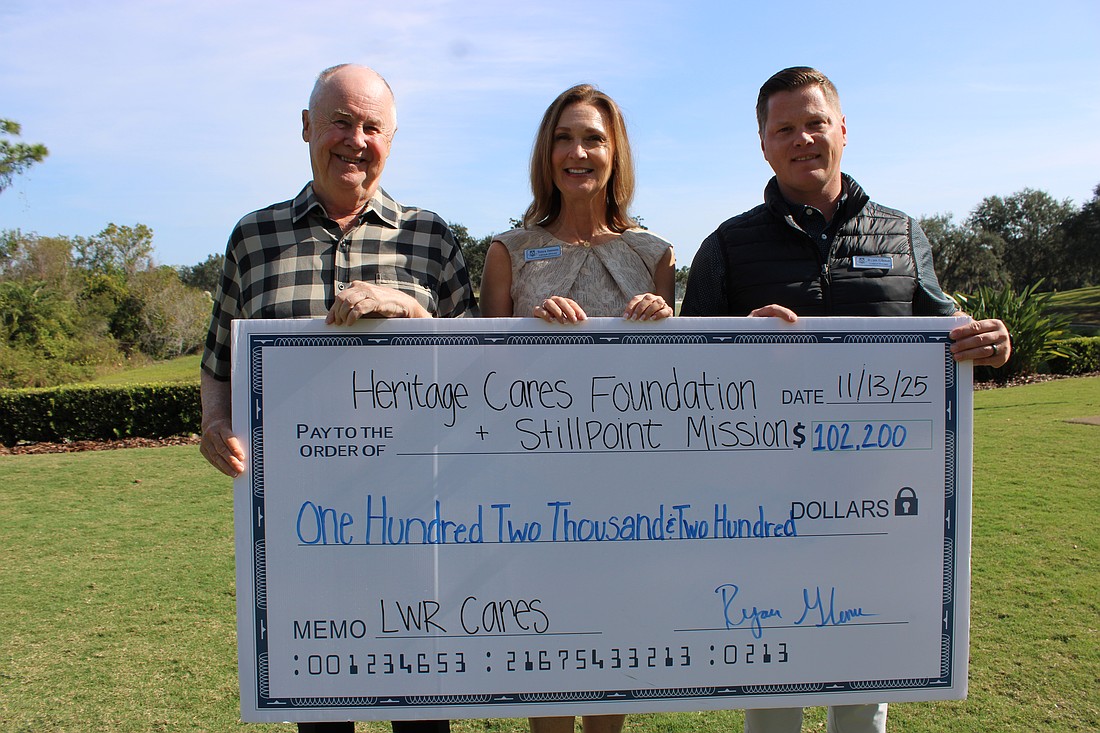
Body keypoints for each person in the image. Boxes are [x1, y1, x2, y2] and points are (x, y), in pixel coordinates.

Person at [680, 66, 1010, 733]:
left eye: (815, 122)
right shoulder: (727, 243)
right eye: (785, 129)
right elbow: (687, 367)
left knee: (865, 691)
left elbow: (948, 326)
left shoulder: (902, 234)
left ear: (843, 130)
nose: (803, 138)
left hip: (881, 505)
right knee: (771, 692)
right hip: (764, 509)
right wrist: (733, 345)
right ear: (764, 145)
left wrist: (991, 344)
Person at [199, 63, 474, 733]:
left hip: (418, 519)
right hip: (301, 524)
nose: (356, 139)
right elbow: (220, 357)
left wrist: (406, 304)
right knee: (320, 712)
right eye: (341, 122)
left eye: (373, 126)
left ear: (392, 137)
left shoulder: (431, 237)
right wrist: (213, 419)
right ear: (306, 128)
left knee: (423, 714)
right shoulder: (253, 237)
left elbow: (478, 363)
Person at [480, 84, 674, 733]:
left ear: (614, 151)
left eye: (592, 137)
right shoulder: (507, 250)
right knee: (546, 635)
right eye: (564, 137)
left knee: (614, 629)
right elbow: (487, 376)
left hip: (629, 485)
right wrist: (529, 337)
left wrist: (660, 323)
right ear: (547, 152)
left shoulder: (656, 255)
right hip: (532, 484)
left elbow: (673, 384)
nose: (578, 151)